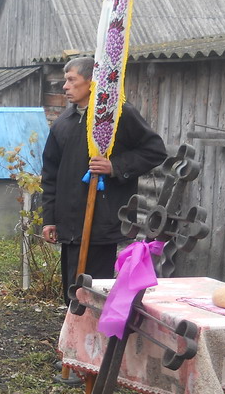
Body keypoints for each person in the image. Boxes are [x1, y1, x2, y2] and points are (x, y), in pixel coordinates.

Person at [41, 56, 167, 303]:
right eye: (65, 80)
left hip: (101, 221)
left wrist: (115, 166)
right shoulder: (63, 123)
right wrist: (50, 219)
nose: (65, 86)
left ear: (91, 81)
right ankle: (74, 326)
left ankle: (95, 328)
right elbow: (50, 174)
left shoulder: (118, 115)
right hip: (69, 225)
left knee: (95, 293)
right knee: (72, 293)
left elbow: (154, 150)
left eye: (71, 80)